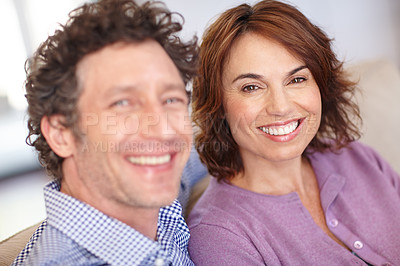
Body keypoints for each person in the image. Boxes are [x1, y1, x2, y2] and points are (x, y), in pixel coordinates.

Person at [187, 0, 400, 265]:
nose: (281, 107)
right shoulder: (220, 236)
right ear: (218, 104)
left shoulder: (358, 157)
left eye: (297, 79)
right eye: (251, 87)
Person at [12, 0, 201, 264]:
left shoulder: (155, 198)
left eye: (171, 99)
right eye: (122, 103)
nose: (163, 129)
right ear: (61, 134)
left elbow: (197, 154)